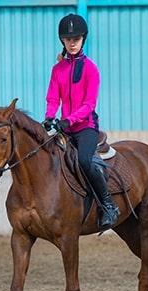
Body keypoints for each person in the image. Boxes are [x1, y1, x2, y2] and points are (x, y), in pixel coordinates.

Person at [42, 13, 119, 230]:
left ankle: (108, 205)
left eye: (76, 38)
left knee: (85, 160)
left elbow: (88, 105)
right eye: (68, 39)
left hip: (85, 127)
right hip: (64, 128)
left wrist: (68, 120)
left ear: (83, 39)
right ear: (62, 41)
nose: (72, 42)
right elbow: (52, 97)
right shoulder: (57, 70)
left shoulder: (91, 69)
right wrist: (49, 117)